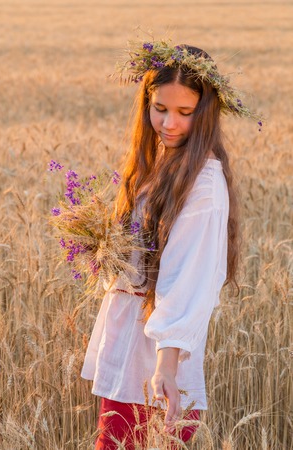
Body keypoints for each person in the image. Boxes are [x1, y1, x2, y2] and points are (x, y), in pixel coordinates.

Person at [81, 39, 257, 449]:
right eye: (160, 108)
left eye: (185, 112)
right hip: (128, 353)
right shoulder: (156, 161)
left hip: (155, 369)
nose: (170, 124)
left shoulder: (204, 184)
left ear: (207, 113)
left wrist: (165, 369)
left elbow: (186, 279)